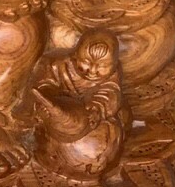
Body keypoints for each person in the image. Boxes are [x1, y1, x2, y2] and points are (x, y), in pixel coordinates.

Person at [33, 30, 129, 178]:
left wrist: (98, 109)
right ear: (75, 55)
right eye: (86, 62)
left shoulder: (113, 73)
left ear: (114, 64)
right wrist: (47, 106)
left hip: (92, 120)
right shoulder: (55, 64)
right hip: (59, 119)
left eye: (103, 65)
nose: (93, 71)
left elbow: (110, 93)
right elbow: (44, 87)